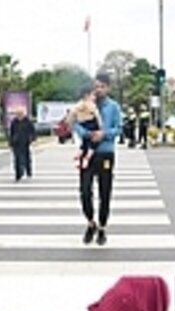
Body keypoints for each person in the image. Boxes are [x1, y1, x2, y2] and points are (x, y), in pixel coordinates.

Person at [73, 73, 123, 246]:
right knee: (84, 190)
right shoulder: (84, 105)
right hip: (87, 152)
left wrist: (104, 134)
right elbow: (76, 124)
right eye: (96, 86)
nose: (99, 90)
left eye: (102, 86)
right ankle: (90, 222)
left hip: (105, 153)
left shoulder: (113, 107)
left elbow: (119, 128)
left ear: (108, 88)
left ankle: (102, 227)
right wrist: (87, 134)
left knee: (105, 192)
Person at [67, 85, 103, 171]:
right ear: (87, 95)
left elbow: (70, 117)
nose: (94, 97)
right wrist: (100, 127)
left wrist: (71, 126)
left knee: (84, 142)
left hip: (82, 124)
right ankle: (87, 157)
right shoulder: (91, 105)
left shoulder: (77, 105)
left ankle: (79, 154)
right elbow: (97, 116)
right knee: (93, 143)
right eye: (93, 95)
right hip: (92, 124)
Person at [8, 107, 36, 181]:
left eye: (20, 114)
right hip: (16, 143)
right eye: (17, 114)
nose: (19, 115)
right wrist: (10, 142)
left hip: (25, 142)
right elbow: (11, 132)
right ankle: (18, 174)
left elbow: (32, 131)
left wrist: (32, 138)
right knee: (17, 158)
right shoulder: (14, 122)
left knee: (26, 158)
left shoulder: (28, 121)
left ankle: (28, 171)